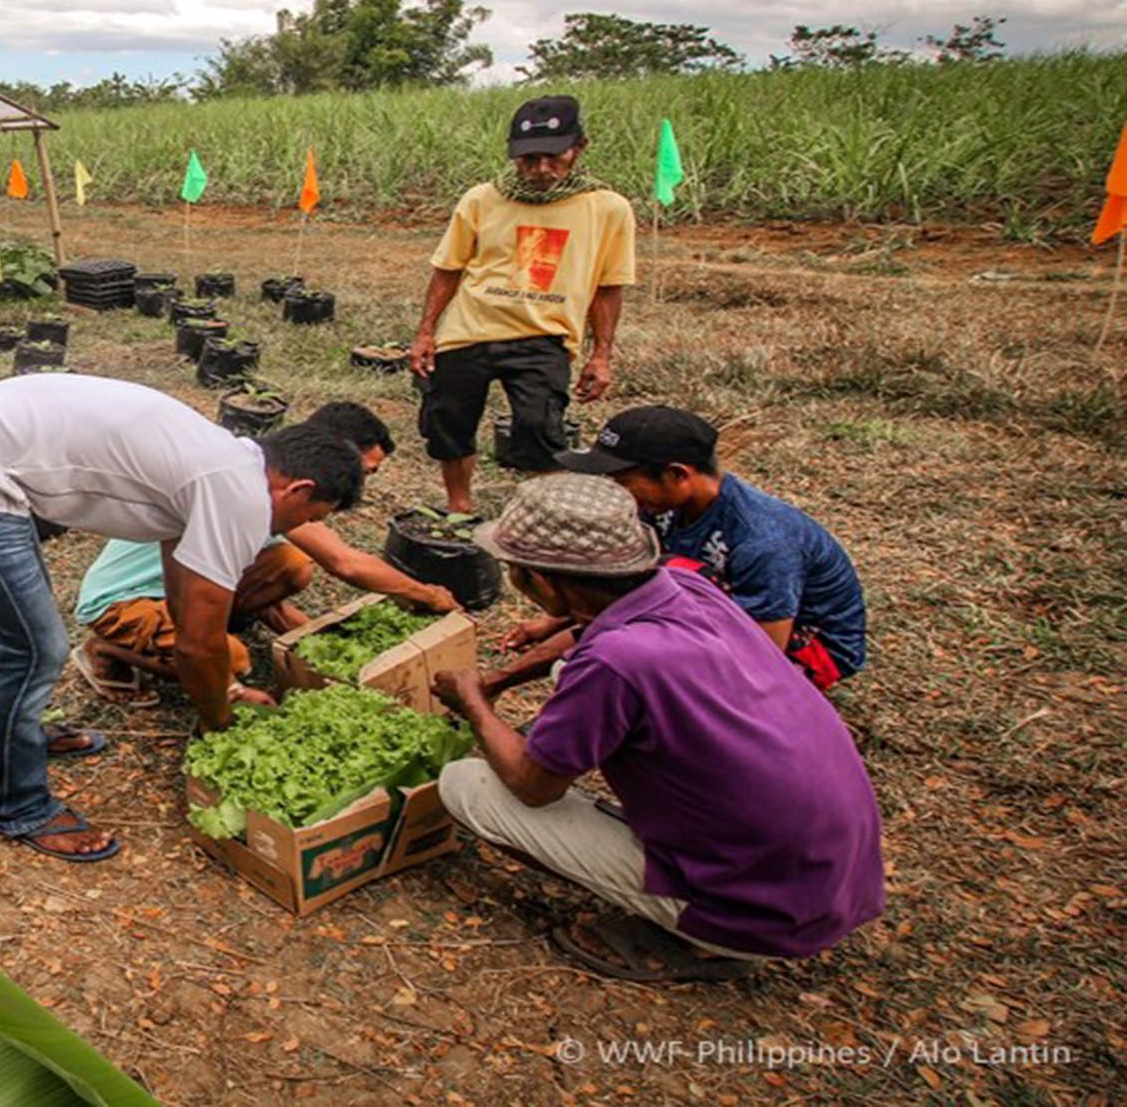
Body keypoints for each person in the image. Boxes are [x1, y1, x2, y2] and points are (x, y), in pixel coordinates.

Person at [0, 373, 362, 863]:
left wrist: (225, 688)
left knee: (12, 633)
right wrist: (221, 723)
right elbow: (198, 645)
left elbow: (184, 606)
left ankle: (13, 739)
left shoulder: (223, 462)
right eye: (311, 518)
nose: (302, 530)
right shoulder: (237, 493)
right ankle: (19, 807)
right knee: (33, 647)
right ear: (297, 489)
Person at [431, 475, 885, 981]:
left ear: (543, 582)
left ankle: (703, 937)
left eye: (516, 570)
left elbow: (532, 787)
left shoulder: (617, 664)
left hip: (762, 908)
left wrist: (474, 703)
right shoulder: (685, 586)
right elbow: (588, 631)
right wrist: (503, 678)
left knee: (466, 785)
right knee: (571, 676)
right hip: (830, 872)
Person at [72, 403, 458, 706]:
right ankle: (106, 651)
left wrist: (312, 645)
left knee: (291, 565)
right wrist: (429, 595)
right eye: (365, 471)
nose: (363, 483)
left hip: (183, 585)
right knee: (231, 661)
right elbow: (346, 563)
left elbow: (257, 575)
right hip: (124, 598)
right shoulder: (260, 487)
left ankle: (208, 627)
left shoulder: (274, 477)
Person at [532, 405, 868, 690]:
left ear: (676, 474)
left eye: (623, 481)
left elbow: (763, 654)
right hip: (719, 610)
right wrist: (557, 620)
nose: (617, 492)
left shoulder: (763, 540)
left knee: (643, 678)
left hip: (804, 646)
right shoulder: (662, 508)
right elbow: (626, 592)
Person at [408, 94, 636, 515]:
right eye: (528, 159)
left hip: (545, 336)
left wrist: (601, 355)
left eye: (553, 157)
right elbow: (447, 269)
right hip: (468, 331)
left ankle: (539, 515)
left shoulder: (608, 208)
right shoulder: (482, 199)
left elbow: (609, 286)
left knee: (540, 429)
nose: (541, 169)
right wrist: (426, 333)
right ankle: (459, 506)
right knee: (448, 422)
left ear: (579, 147)